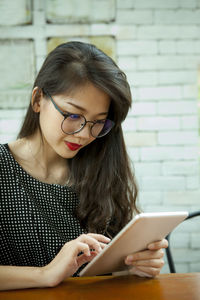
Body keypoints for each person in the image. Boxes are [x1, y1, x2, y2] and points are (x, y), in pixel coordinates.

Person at [0, 41, 168, 290]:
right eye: (74, 115)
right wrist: (46, 274)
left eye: (97, 122)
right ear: (38, 100)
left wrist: (132, 263)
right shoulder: (5, 169)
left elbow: (105, 270)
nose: (84, 134)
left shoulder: (100, 166)